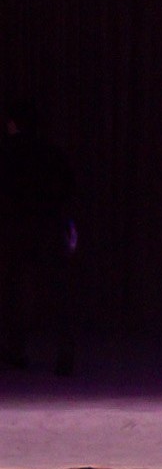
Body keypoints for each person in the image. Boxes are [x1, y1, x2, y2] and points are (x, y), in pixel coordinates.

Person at [0, 101, 77, 375]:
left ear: (13, 123)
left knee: (16, 290)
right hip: (49, 226)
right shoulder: (51, 152)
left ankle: (16, 350)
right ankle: (65, 353)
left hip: (17, 229)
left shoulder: (8, 153)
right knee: (57, 291)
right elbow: (68, 189)